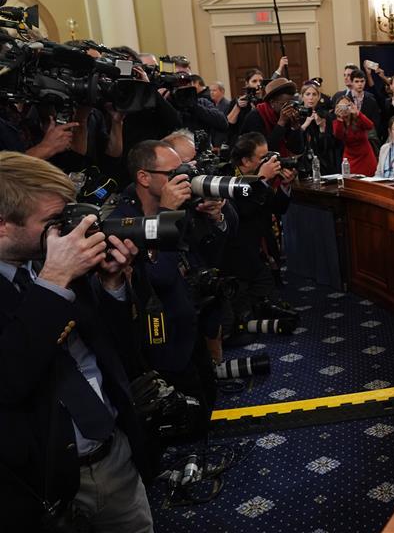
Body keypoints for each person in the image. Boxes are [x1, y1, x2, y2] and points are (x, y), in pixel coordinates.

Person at [0, 151, 153, 531]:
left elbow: (118, 349)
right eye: (52, 222)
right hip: (39, 484)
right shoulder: (57, 265)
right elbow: (8, 379)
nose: (66, 231)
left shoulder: (53, 257)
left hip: (113, 455)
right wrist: (53, 280)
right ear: (2, 225)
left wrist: (113, 286)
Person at [113, 141, 230, 420]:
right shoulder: (123, 222)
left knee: (207, 404)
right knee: (185, 421)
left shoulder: (182, 207)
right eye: (172, 173)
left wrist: (216, 219)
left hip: (192, 329)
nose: (182, 179)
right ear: (144, 177)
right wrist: (165, 215)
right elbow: (160, 276)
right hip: (161, 346)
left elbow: (210, 259)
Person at [222, 132, 297, 326]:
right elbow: (242, 211)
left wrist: (285, 186)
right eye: (262, 158)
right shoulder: (228, 180)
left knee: (270, 297)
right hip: (235, 255)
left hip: (258, 249)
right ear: (246, 161)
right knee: (242, 308)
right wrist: (262, 179)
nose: (269, 161)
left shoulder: (259, 179)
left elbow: (277, 208)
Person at [241, 77, 303, 157]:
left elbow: (298, 149)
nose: (289, 108)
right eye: (284, 104)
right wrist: (281, 123)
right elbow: (264, 151)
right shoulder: (256, 116)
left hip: (283, 163)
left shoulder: (288, 116)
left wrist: (295, 128)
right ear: (272, 102)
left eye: (291, 104)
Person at [296, 82, 340, 174]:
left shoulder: (324, 115)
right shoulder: (296, 115)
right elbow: (294, 142)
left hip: (322, 163)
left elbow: (329, 145)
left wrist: (322, 129)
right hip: (302, 163)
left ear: (318, 97)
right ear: (302, 96)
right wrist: (304, 126)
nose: (311, 98)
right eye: (308, 94)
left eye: (314, 94)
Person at [332, 96, 377, 176]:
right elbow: (338, 136)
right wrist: (340, 118)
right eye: (341, 107)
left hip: (366, 157)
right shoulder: (337, 122)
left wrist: (358, 113)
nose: (344, 109)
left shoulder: (358, 118)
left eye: (347, 106)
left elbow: (370, 126)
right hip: (349, 158)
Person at [333, 68, 381, 136]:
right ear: (352, 82)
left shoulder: (371, 100)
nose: (360, 84)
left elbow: (375, 122)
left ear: (365, 82)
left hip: (367, 137)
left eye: (362, 81)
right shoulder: (345, 100)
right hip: (349, 137)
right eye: (357, 81)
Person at [227, 68, 264, 145]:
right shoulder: (237, 101)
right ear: (247, 83)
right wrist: (237, 107)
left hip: (259, 141)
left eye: (260, 81)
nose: (258, 84)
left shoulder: (264, 102)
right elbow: (229, 123)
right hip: (241, 142)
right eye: (254, 81)